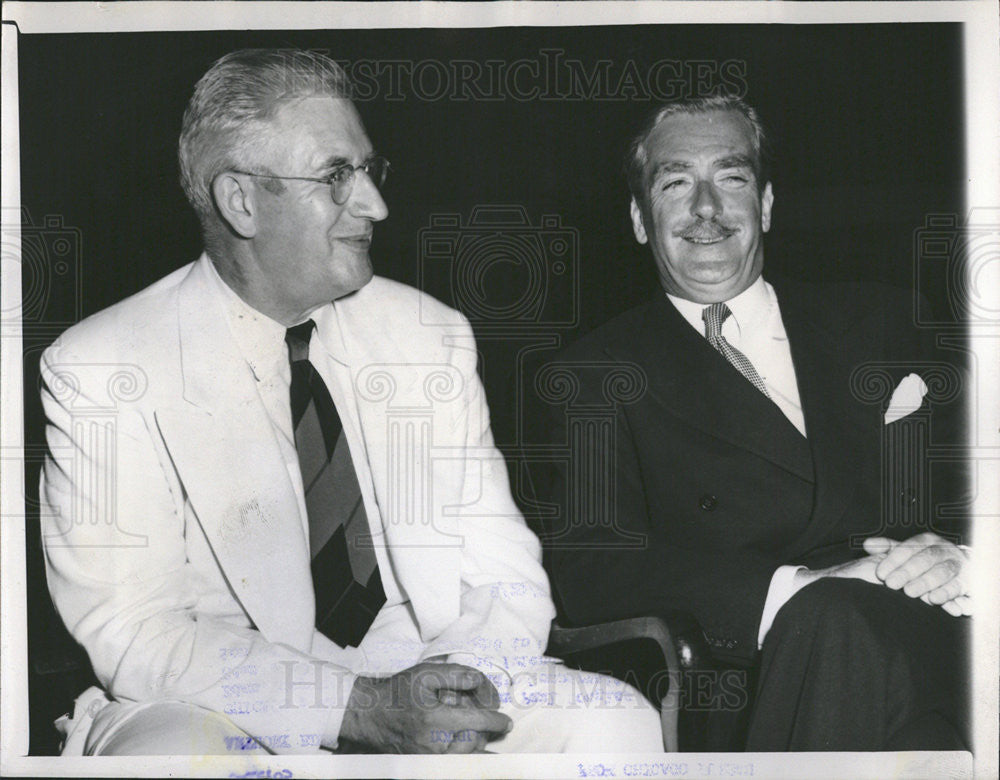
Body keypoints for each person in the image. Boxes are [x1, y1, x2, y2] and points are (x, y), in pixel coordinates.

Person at [39, 48, 662, 756]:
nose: (376, 205)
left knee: (612, 722)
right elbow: (135, 628)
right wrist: (356, 708)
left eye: (369, 171)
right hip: (226, 701)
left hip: (428, 666)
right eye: (337, 177)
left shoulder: (430, 334)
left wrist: (460, 684)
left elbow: (502, 574)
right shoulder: (102, 364)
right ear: (241, 201)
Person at [541, 95, 971, 751]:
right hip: (776, 672)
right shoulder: (595, 374)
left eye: (731, 178)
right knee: (834, 622)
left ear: (765, 205)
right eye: (676, 182)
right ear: (638, 217)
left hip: (947, 633)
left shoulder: (886, 318)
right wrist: (793, 591)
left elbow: (979, 471)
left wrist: (966, 556)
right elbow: (593, 565)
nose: (706, 209)